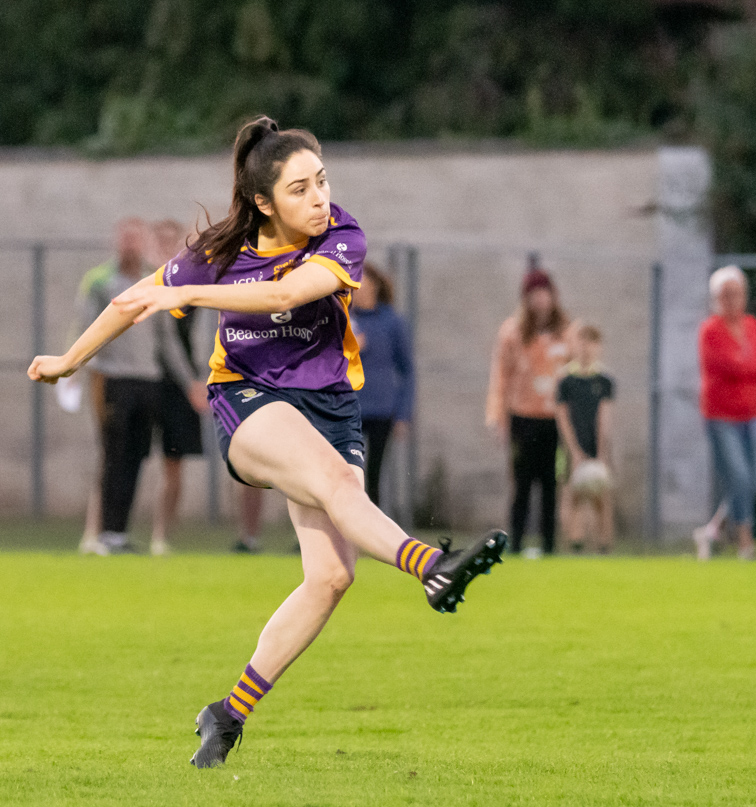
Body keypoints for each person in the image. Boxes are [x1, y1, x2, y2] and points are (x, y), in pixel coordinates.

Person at [28, 116, 506, 768]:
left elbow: (286, 290)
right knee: (337, 486)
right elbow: (129, 303)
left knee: (332, 575)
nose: (318, 198)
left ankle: (226, 715)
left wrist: (191, 290)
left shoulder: (340, 235)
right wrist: (69, 359)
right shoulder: (220, 249)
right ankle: (432, 566)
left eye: (322, 181)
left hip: (331, 406)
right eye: (301, 188)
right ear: (262, 201)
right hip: (250, 399)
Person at [74, 217, 161, 554]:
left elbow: (164, 337)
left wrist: (189, 380)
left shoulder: (154, 279)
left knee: (137, 456)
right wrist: (88, 370)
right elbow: (88, 330)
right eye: (125, 238)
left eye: (136, 238)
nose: (130, 244)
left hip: (148, 379)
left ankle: (119, 533)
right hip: (113, 380)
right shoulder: (100, 281)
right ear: (117, 241)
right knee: (113, 456)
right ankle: (103, 532)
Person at [486, 256, 573, 557]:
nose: (540, 300)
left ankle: (550, 546)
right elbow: (501, 377)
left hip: (554, 419)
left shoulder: (566, 331)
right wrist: (498, 417)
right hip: (522, 416)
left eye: (544, 293)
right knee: (522, 484)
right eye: (534, 294)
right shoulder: (513, 332)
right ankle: (517, 542)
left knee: (551, 484)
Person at [694, 265, 756, 561]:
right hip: (722, 417)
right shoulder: (710, 331)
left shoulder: (754, 327)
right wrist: (749, 368)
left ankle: (712, 529)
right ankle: (745, 541)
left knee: (754, 479)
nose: (732, 300)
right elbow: (727, 367)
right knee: (739, 477)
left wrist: (747, 368)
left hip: (752, 413)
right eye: (725, 295)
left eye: (737, 294)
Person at [149, 218, 210, 556]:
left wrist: (196, 383)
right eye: (161, 243)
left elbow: (198, 339)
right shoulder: (144, 283)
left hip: (183, 388)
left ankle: (160, 537)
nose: (167, 250)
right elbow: (165, 342)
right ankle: (99, 534)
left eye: (174, 243)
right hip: (145, 381)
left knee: (174, 465)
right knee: (117, 460)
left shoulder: (196, 289)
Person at [350, 261, 415, 508]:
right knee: (348, 472)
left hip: (381, 409)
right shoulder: (343, 321)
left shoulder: (392, 322)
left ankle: (373, 532)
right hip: (349, 408)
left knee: (373, 475)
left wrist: (403, 413)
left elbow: (407, 370)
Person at [556, 325, 615, 553]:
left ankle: (604, 545)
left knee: (601, 493)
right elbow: (563, 417)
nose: (586, 348)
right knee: (572, 494)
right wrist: (574, 451)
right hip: (572, 447)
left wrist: (601, 452)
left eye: (592, 342)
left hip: (597, 446)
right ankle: (574, 543)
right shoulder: (565, 381)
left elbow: (605, 417)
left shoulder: (605, 381)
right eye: (581, 341)